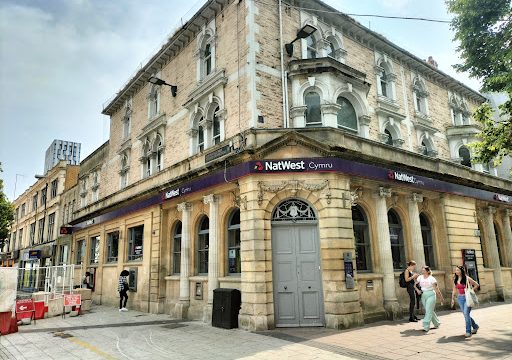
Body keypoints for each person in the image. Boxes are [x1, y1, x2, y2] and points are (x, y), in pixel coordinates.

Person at [451, 265, 480, 338]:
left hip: (467, 298)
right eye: (456, 270)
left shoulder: (466, 278)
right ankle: (475, 326)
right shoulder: (455, 279)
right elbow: (454, 289)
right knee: (466, 315)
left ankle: (468, 331)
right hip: (460, 298)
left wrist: (470, 290)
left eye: (458, 270)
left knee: (466, 314)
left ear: (461, 271)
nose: (456, 271)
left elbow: (476, 284)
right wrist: (452, 299)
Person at [416, 266, 444, 332]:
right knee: (429, 310)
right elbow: (414, 285)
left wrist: (441, 298)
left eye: (424, 270)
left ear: (428, 271)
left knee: (428, 310)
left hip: (431, 295)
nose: (422, 271)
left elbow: (437, 289)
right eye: (422, 270)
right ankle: (437, 323)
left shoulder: (432, 279)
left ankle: (426, 325)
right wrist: (417, 290)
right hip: (423, 295)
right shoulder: (420, 277)